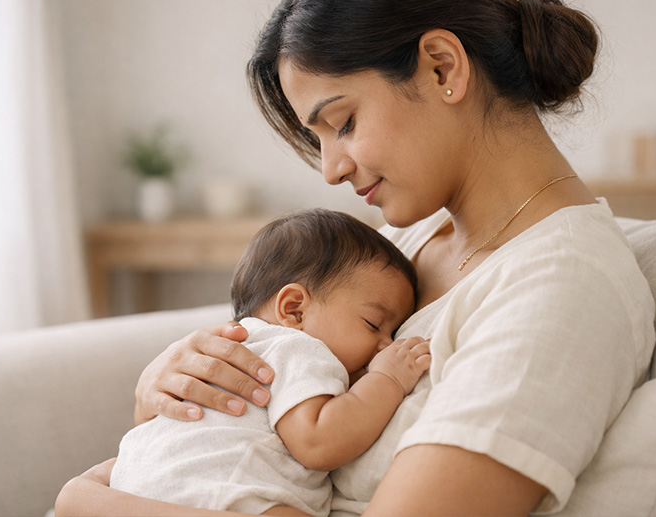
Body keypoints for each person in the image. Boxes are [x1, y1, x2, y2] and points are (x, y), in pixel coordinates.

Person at [56, 0, 656, 515]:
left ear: (443, 68)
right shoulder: (407, 240)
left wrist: (84, 499)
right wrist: (165, 387)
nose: (331, 170)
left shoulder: (560, 289)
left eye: (341, 123)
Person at [107, 209, 430, 517]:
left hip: (134, 486)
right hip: (218, 492)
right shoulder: (296, 347)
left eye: (394, 331)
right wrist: (389, 378)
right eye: (374, 324)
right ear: (294, 310)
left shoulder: (236, 344)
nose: (387, 345)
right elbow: (318, 442)